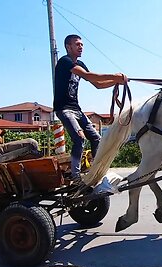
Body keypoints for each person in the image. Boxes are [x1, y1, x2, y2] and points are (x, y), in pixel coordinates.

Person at [53, 34, 126, 181]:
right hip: (64, 109)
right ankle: (75, 176)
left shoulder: (80, 63)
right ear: (69, 47)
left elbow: (98, 84)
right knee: (79, 139)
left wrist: (116, 82)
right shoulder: (65, 61)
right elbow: (89, 76)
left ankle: (96, 170)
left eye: (82, 44)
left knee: (97, 138)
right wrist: (115, 76)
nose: (81, 47)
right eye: (77, 44)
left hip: (77, 109)